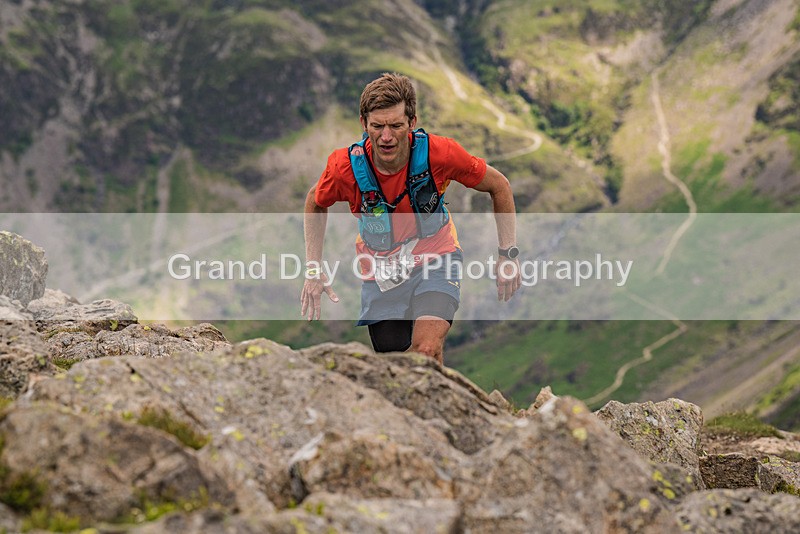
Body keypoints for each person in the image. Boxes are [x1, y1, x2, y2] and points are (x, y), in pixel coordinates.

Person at [301, 72, 520, 365]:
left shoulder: (440, 154)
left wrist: (507, 254)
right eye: (377, 126)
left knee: (425, 349)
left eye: (396, 125)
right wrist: (313, 268)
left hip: (436, 256)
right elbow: (315, 202)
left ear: (412, 122)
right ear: (363, 123)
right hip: (382, 271)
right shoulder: (344, 168)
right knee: (398, 364)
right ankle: (440, 393)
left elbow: (499, 185)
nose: (386, 136)